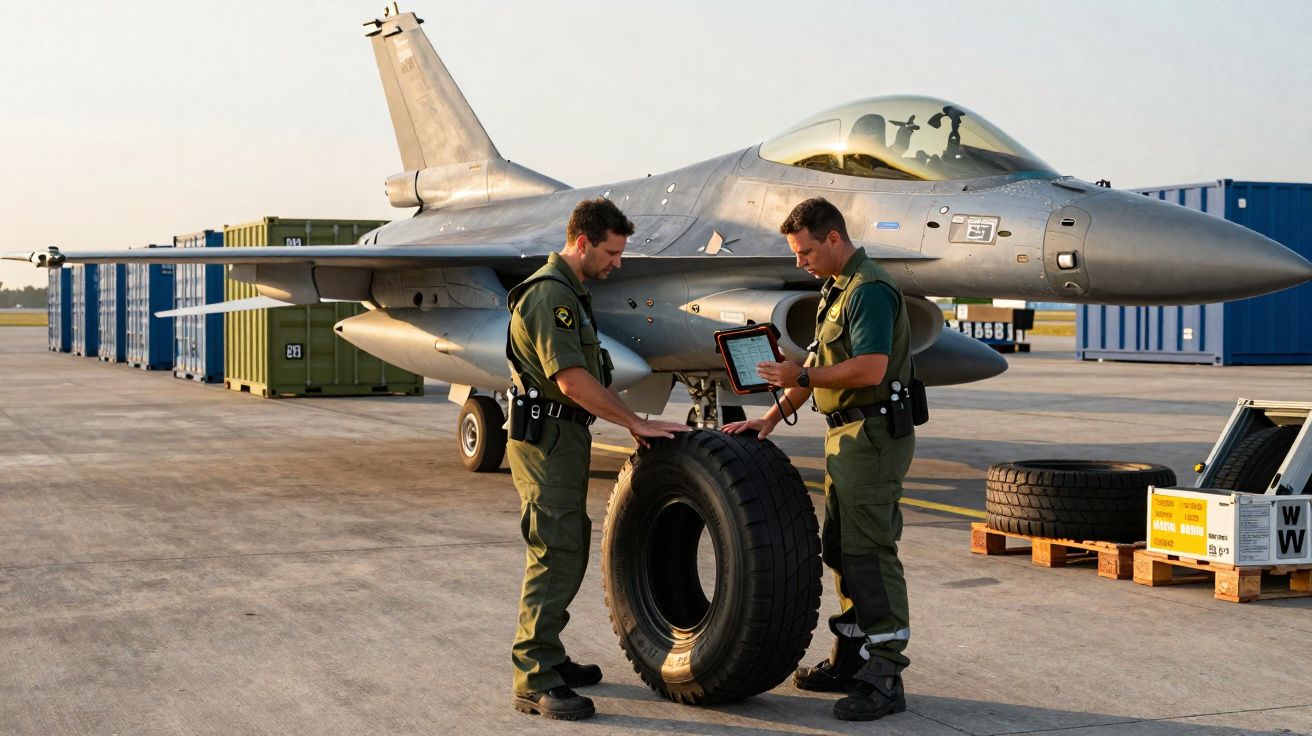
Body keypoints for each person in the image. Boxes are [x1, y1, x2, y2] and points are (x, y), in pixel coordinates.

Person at [723, 197, 915, 722]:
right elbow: (814, 366)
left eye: (805, 250)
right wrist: (767, 419)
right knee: (842, 548)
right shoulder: (837, 289)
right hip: (847, 438)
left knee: (869, 551)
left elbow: (871, 368)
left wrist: (802, 378)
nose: (799, 261)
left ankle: (886, 672)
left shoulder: (869, 290)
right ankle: (853, 656)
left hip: (872, 436)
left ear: (833, 239)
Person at [506, 197, 689, 721]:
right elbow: (571, 379)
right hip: (547, 442)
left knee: (567, 546)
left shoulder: (571, 294)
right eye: (611, 251)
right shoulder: (550, 297)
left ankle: (550, 656)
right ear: (582, 242)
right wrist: (633, 421)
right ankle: (533, 677)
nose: (618, 263)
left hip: (564, 438)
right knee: (554, 551)